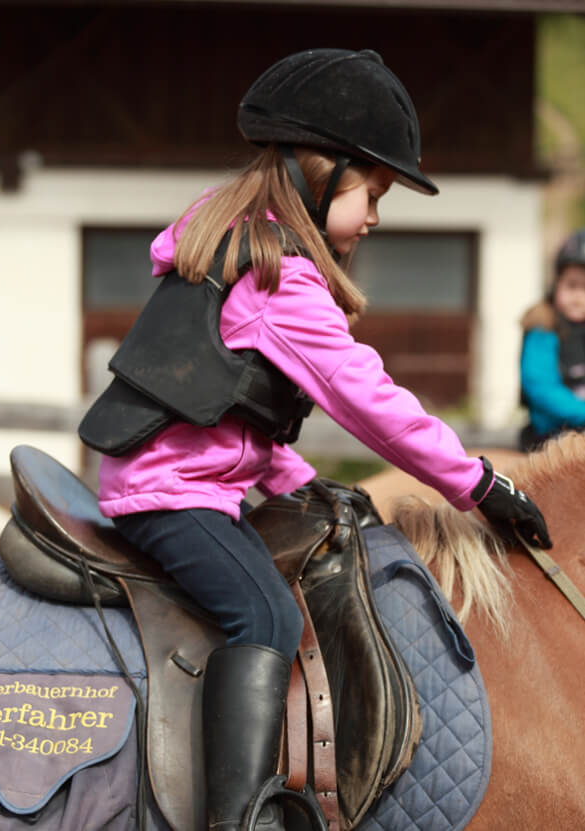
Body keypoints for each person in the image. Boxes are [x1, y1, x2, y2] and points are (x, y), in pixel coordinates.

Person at [80, 49, 552, 831]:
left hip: (185, 476)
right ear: (320, 169)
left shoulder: (240, 242)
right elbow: (368, 401)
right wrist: (477, 483)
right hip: (170, 493)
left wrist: (297, 478)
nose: (373, 215)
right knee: (264, 616)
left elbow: (234, 416)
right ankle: (234, 821)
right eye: (372, 192)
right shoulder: (277, 276)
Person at [520, 227, 585, 451]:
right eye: (571, 285)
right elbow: (541, 387)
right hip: (550, 437)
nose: (578, 296)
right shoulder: (543, 325)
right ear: (555, 284)